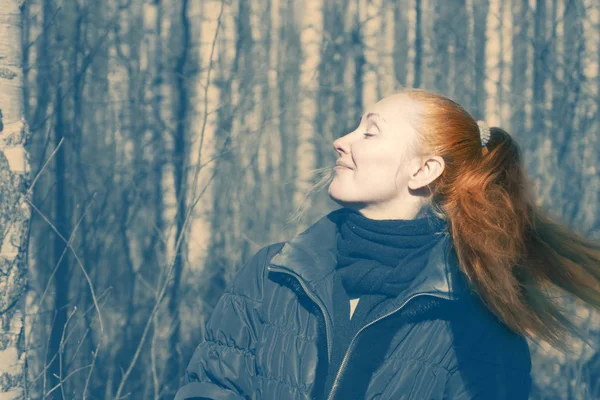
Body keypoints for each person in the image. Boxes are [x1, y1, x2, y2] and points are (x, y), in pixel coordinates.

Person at [174, 88, 600, 400]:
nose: (342, 140)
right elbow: (209, 387)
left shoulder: (474, 323)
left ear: (423, 171)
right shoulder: (272, 274)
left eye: (370, 132)